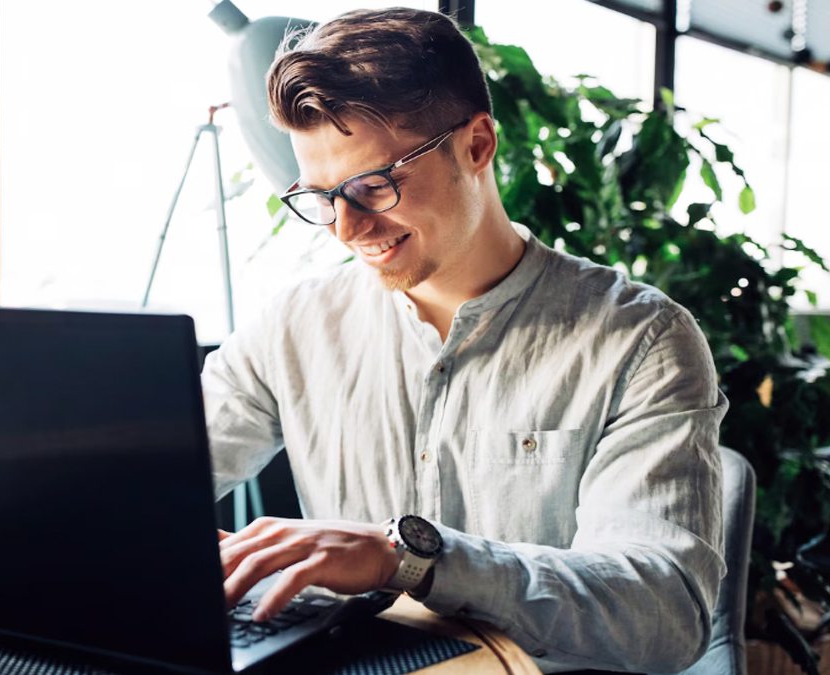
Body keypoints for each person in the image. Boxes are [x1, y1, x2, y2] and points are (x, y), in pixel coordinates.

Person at [201, 7, 729, 673]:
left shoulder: (641, 341)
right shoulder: (292, 326)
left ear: (478, 144)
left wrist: (411, 557)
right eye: (321, 196)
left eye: (373, 186)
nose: (346, 228)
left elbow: (662, 611)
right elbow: (151, 481)